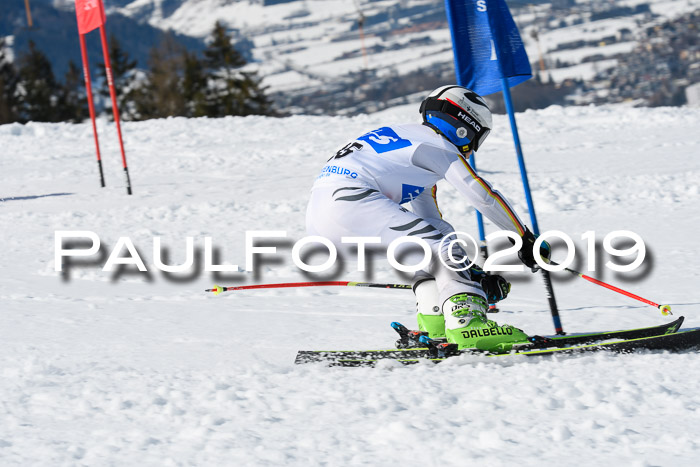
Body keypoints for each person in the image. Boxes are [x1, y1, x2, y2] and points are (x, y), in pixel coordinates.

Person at [306, 85, 550, 351]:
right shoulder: (436, 144)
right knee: (439, 250)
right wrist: (525, 238)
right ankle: (468, 326)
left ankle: (435, 325)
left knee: (427, 251)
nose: (473, 150)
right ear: (464, 127)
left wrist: (468, 273)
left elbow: (432, 223)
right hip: (352, 202)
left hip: (322, 215)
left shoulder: (411, 143)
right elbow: (482, 194)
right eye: (477, 139)